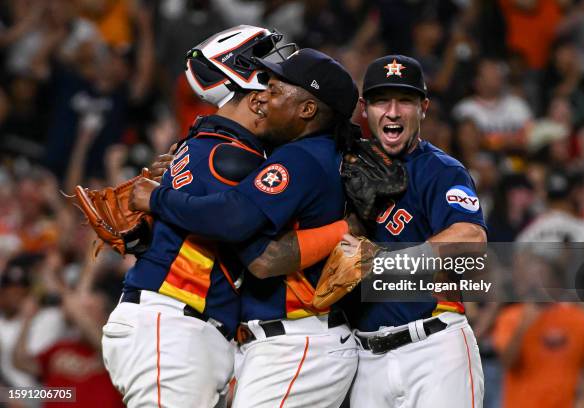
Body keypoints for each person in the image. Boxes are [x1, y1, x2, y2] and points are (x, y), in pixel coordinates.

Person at [129, 48, 360, 407]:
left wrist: (159, 199)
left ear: (307, 110)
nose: (263, 96)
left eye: (276, 90)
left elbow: (253, 246)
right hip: (281, 341)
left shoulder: (300, 157)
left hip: (298, 340)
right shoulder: (314, 153)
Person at [101, 25, 296, 408]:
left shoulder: (210, 146)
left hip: (187, 329)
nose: (284, 86)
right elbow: (241, 228)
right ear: (253, 96)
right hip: (175, 328)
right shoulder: (231, 156)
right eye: (273, 73)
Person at [339, 55, 487, 407]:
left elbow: (472, 239)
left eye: (404, 100)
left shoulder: (440, 170)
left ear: (423, 107)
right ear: (364, 108)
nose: (392, 112)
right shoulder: (342, 166)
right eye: (380, 101)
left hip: (434, 348)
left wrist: (385, 264)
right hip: (364, 358)